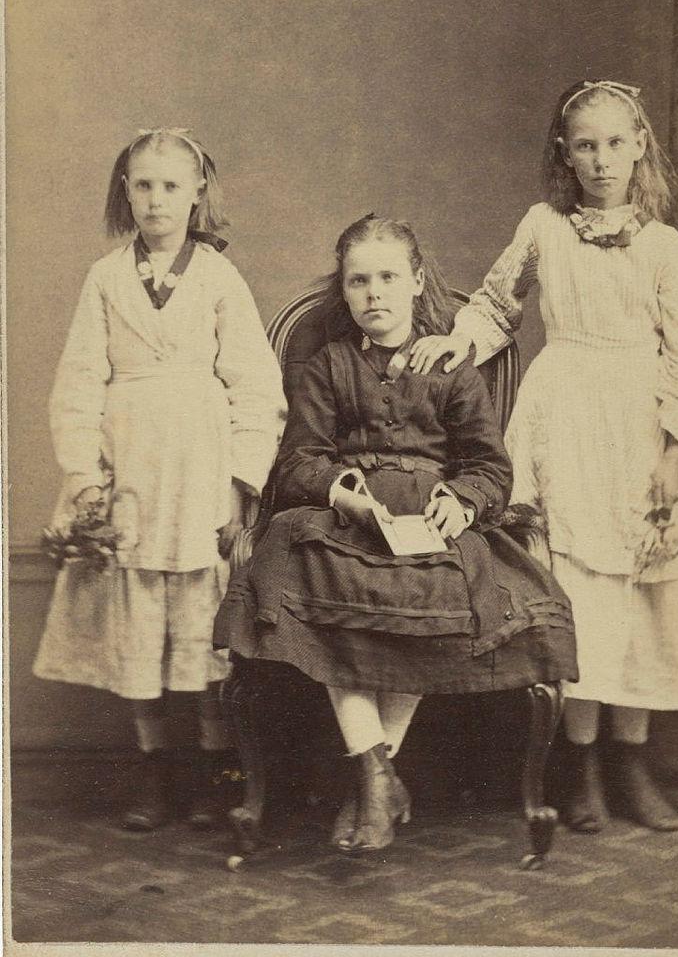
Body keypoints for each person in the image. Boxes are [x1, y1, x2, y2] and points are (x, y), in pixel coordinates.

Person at [410, 79, 678, 833]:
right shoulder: (543, 226)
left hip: (641, 425)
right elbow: (499, 305)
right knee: (581, 594)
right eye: (586, 145)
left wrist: (672, 447)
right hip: (564, 416)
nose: (601, 160)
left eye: (615, 144)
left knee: (640, 592)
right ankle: (583, 767)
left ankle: (632, 765)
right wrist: (456, 340)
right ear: (566, 154)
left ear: (639, 150)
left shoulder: (663, 246)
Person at [214, 213, 577, 853]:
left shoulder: (451, 367)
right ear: (345, 291)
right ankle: (378, 775)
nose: (374, 294)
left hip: (431, 522)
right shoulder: (328, 365)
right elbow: (297, 459)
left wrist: (462, 502)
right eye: (359, 281)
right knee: (323, 587)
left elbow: (490, 467)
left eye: (387, 278)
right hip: (345, 521)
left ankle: (371, 780)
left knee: (429, 601)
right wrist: (338, 490)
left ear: (416, 283)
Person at [35, 127, 286, 831]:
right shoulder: (105, 278)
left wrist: (243, 478)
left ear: (198, 191)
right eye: (142, 184)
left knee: (199, 619)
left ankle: (214, 766)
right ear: (125, 191)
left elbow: (254, 384)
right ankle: (153, 766)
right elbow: (79, 381)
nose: (155, 200)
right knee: (138, 613)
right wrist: (87, 475)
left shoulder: (216, 277)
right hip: (132, 468)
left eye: (171, 185)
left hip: (199, 469)